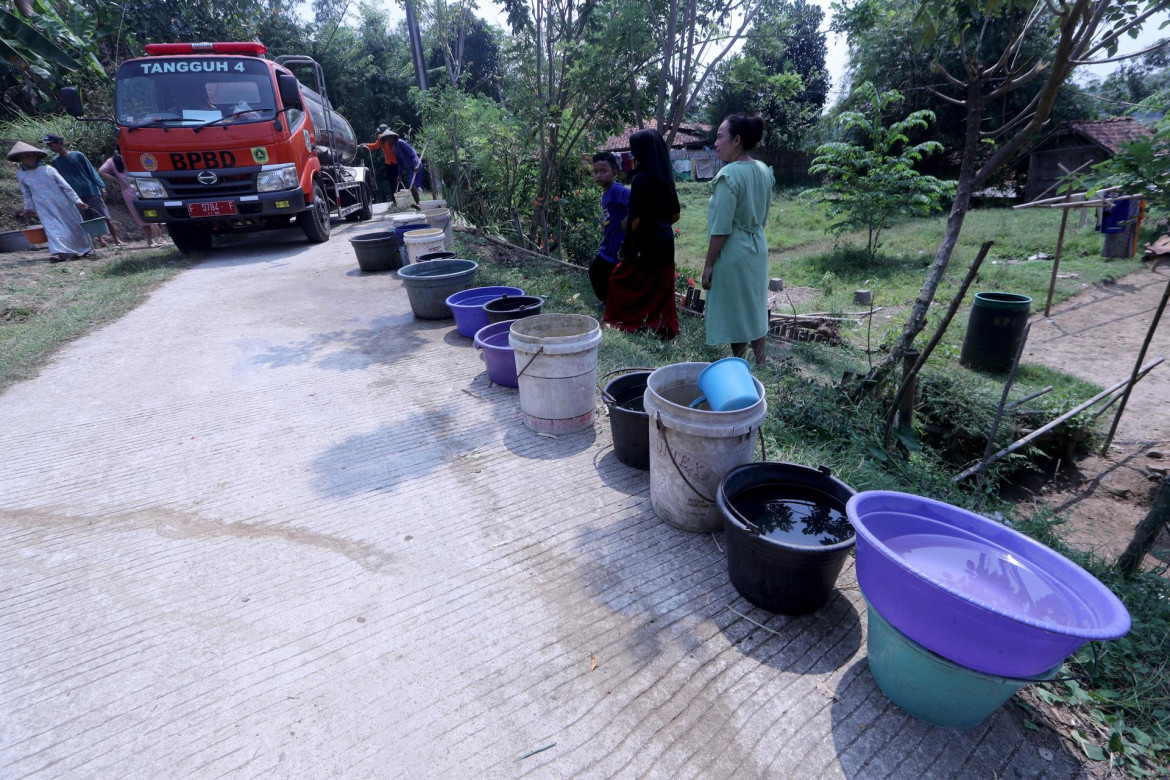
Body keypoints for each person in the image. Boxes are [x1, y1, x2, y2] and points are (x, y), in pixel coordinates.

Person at [701, 113, 775, 366]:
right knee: (755, 303)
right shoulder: (763, 170)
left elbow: (721, 228)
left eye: (720, 137)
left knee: (736, 306)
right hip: (757, 246)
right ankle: (761, 360)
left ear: (737, 140)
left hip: (733, 250)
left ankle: (739, 361)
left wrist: (709, 264)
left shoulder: (729, 175)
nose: (716, 143)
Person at [603, 129, 680, 340]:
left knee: (619, 280)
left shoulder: (641, 179)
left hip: (645, 241)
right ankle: (661, 325)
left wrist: (626, 247)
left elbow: (633, 220)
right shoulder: (667, 178)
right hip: (665, 241)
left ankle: (632, 321)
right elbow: (675, 215)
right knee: (659, 288)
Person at [9, 140, 93, 262]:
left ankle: (83, 248)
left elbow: (66, 186)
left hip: (62, 202)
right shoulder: (21, 174)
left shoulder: (48, 169)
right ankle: (59, 253)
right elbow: (26, 193)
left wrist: (77, 201)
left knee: (73, 226)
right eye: (23, 157)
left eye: (28, 155)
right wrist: (28, 208)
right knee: (52, 228)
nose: (26, 159)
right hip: (43, 206)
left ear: (35, 156)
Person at [43, 134, 121, 247]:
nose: (51, 147)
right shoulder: (55, 161)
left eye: (51, 144)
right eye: (49, 145)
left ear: (59, 143)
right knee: (87, 218)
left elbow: (91, 171)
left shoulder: (78, 155)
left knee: (103, 215)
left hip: (90, 190)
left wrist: (101, 186)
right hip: (75, 194)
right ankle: (100, 240)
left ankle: (116, 239)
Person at [99, 149, 165, 248]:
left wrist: (117, 180)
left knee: (140, 216)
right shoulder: (133, 155)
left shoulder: (112, 160)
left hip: (128, 190)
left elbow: (101, 171)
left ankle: (150, 242)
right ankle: (160, 239)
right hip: (144, 187)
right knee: (152, 212)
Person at [588, 151, 629, 304]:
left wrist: (627, 219)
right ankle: (610, 301)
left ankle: (610, 302)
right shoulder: (607, 191)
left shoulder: (618, 191)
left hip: (618, 243)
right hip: (609, 242)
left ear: (614, 172)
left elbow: (637, 203)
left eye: (603, 171)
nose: (599, 175)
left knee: (596, 270)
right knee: (604, 273)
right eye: (596, 172)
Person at [362, 129, 421, 205]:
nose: (387, 141)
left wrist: (416, 164)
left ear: (392, 137)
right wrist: (365, 145)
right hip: (390, 163)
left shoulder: (399, 142)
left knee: (408, 183)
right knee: (392, 182)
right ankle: (396, 200)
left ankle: (415, 202)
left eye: (388, 139)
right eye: (386, 139)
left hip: (406, 164)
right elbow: (375, 145)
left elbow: (412, 153)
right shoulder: (387, 143)